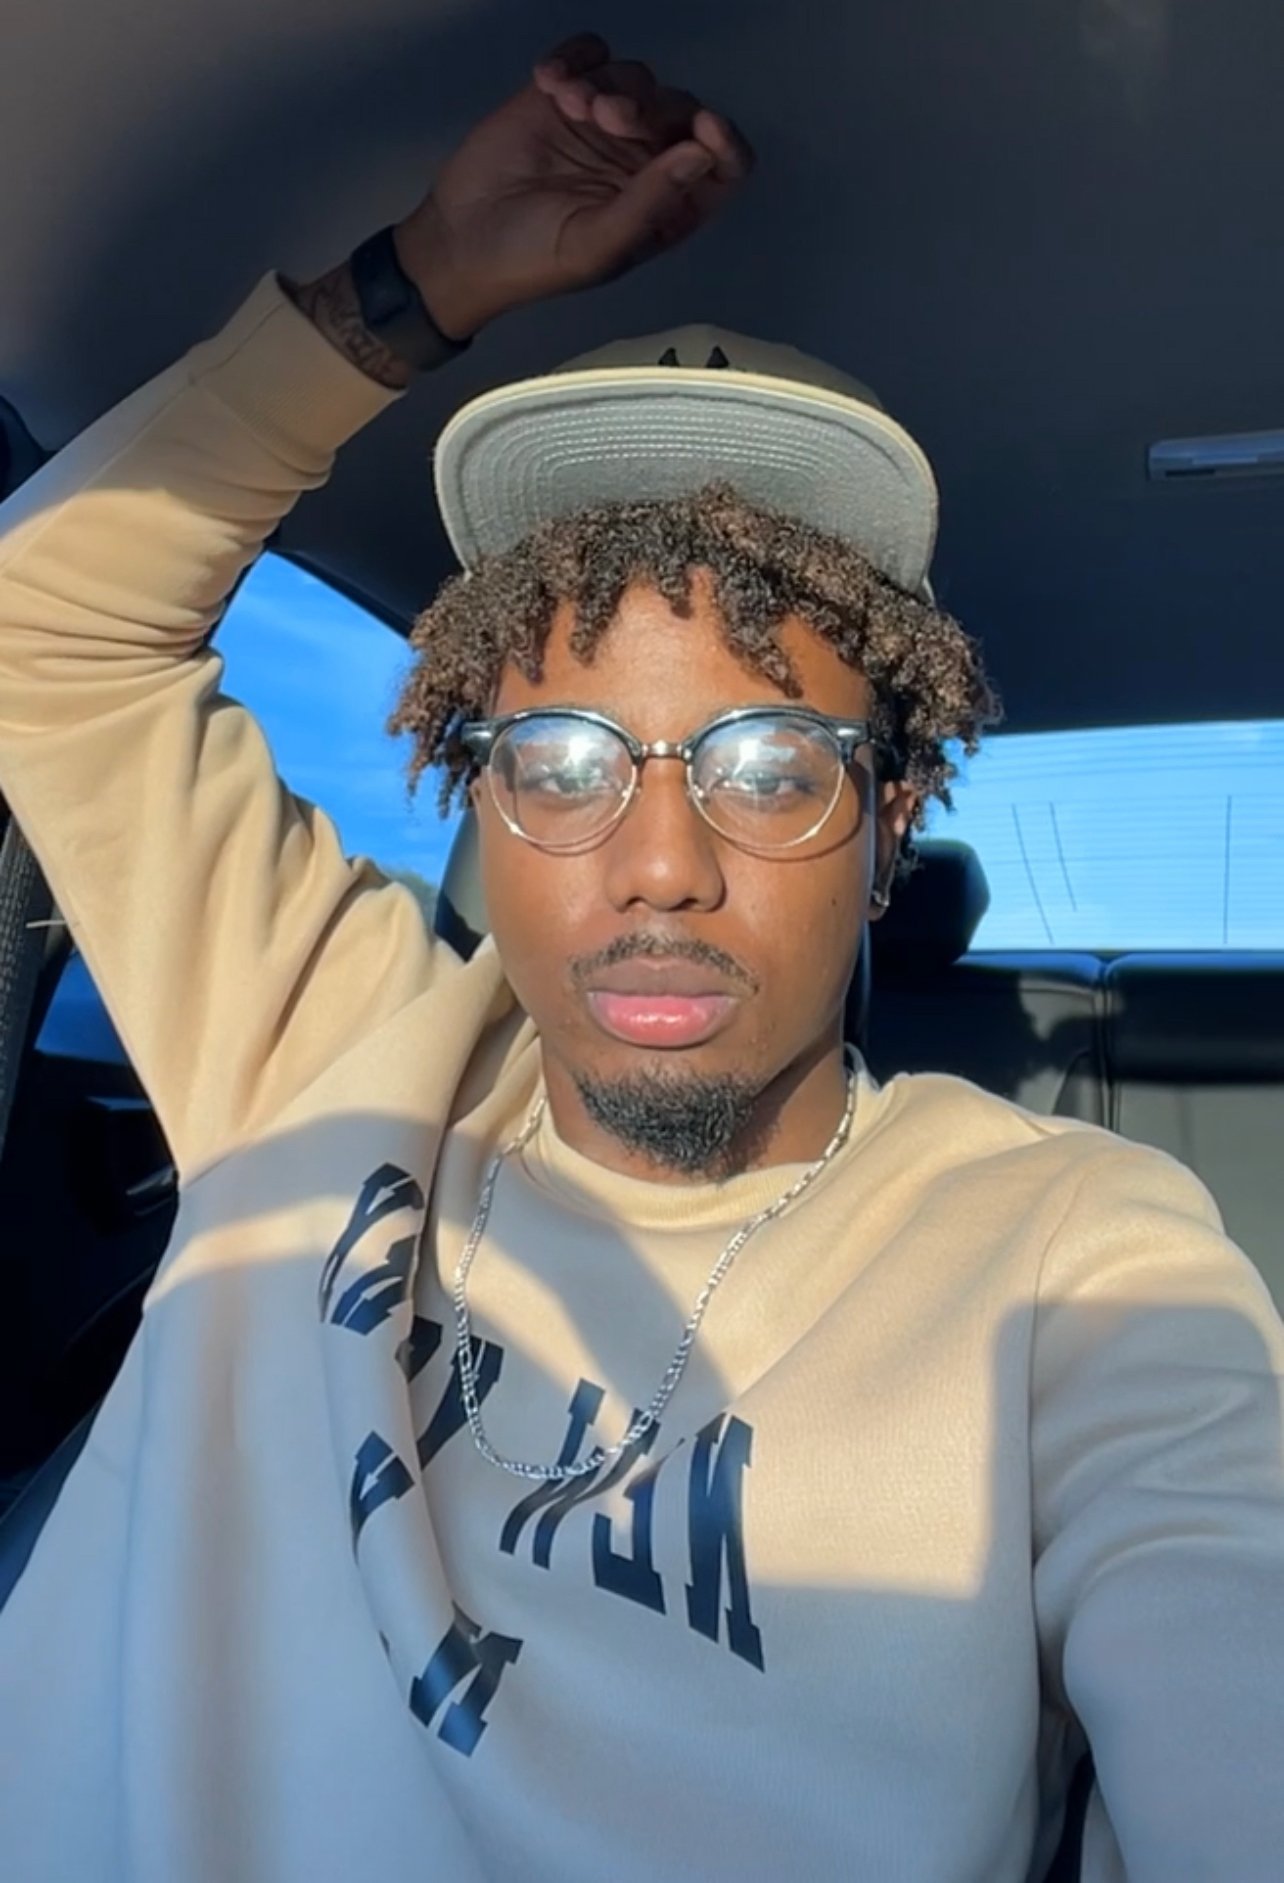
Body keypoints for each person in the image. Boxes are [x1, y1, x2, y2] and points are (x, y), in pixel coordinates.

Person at [0, 29, 1280, 1883]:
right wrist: (421, 277)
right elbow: (42, 620)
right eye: (563, 759)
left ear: (891, 818)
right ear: (475, 787)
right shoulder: (320, 1047)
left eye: (769, 766)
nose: (661, 868)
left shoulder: (1074, 1253)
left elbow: (1224, 1634)